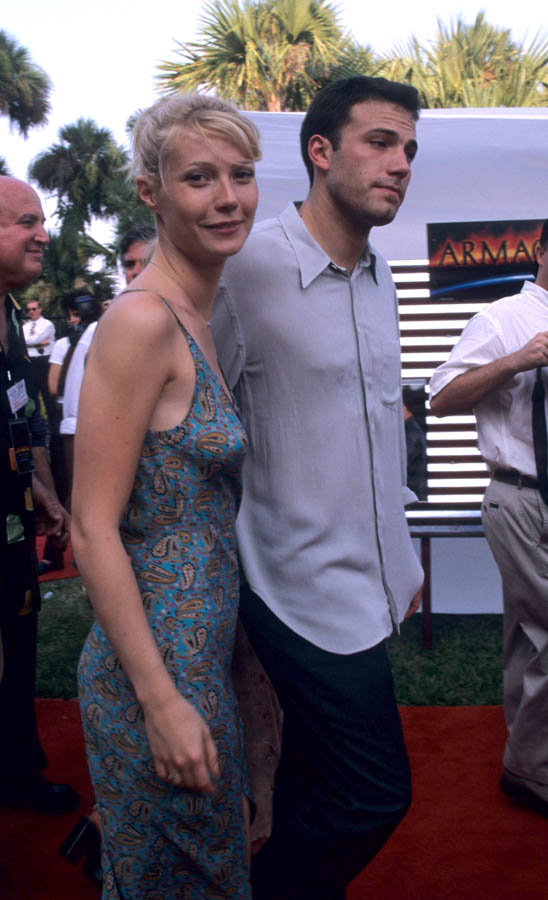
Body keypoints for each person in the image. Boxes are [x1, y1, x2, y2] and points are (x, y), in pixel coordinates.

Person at [212, 75, 424, 900]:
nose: (401, 163)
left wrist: (397, 553)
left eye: (409, 149)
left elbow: (376, 430)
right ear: (321, 151)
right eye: (381, 142)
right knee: (375, 792)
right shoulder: (246, 270)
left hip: (370, 581)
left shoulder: (380, 277)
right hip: (290, 585)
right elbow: (193, 425)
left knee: (316, 780)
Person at [72, 93, 260, 897]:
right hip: (152, 674)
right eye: (199, 177)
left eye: (241, 174)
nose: (228, 198)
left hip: (200, 662)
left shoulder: (200, 315)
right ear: (150, 192)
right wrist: (161, 702)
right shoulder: (142, 322)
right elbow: (91, 528)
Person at [429, 218, 548, 818]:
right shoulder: (502, 320)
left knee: (531, 639)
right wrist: (518, 360)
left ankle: (528, 759)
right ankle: (530, 769)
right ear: (542, 252)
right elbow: (441, 397)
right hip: (521, 497)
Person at [0, 175, 77, 814]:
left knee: (20, 644)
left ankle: (19, 773)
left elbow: (21, 419)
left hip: (14, 533)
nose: (43, 235)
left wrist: (43, 492)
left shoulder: (8, 318)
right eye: (26, 222)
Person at [22, 298, 57, 426]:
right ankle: (35, 427)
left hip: (44, 363)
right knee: (31, 397)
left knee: (48, 397)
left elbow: (35, 339)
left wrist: (31, 343)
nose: (31, 311)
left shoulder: (47, 324)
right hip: (30, 363)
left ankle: (54, 430)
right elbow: (23, 340)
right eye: (29, 309)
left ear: (40, 309)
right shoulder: (25, 326)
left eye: (34, 309)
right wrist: (39, 343)